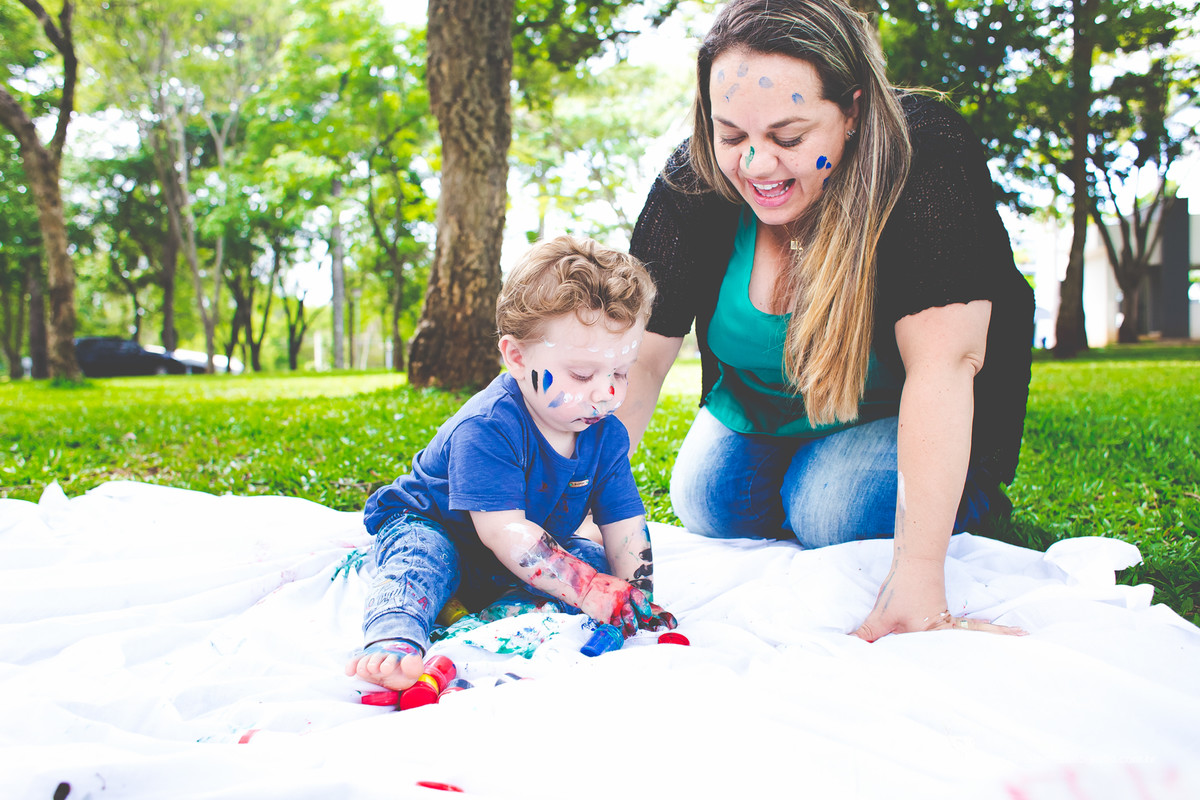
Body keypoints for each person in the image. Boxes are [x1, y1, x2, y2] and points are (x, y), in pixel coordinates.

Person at [620, 0, 1034, 641]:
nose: (755, 166)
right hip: (765, 408)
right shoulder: (695, 176)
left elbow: (945, 363)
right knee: (707, 501)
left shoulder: (924, 155)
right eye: (732, 135)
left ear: (854, 110)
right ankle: (808, 472)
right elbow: (640, 359)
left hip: (896, 408)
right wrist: (574, 509)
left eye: (789, 138)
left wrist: (918, 581)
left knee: (830, 511)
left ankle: (949, 494)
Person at [347, 235, 676, 691]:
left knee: (590, 558)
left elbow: (624, 522)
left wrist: (636, 597)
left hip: (514, 556)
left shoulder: (605, 433)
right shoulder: (487, 427)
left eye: (620, 373)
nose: (606, 393)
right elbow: (503, 530)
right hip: (438, 527)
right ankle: (395, 634)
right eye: (582, 375)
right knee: (423, 558)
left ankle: (496, 611)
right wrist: (584, 588)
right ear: (517, 357)